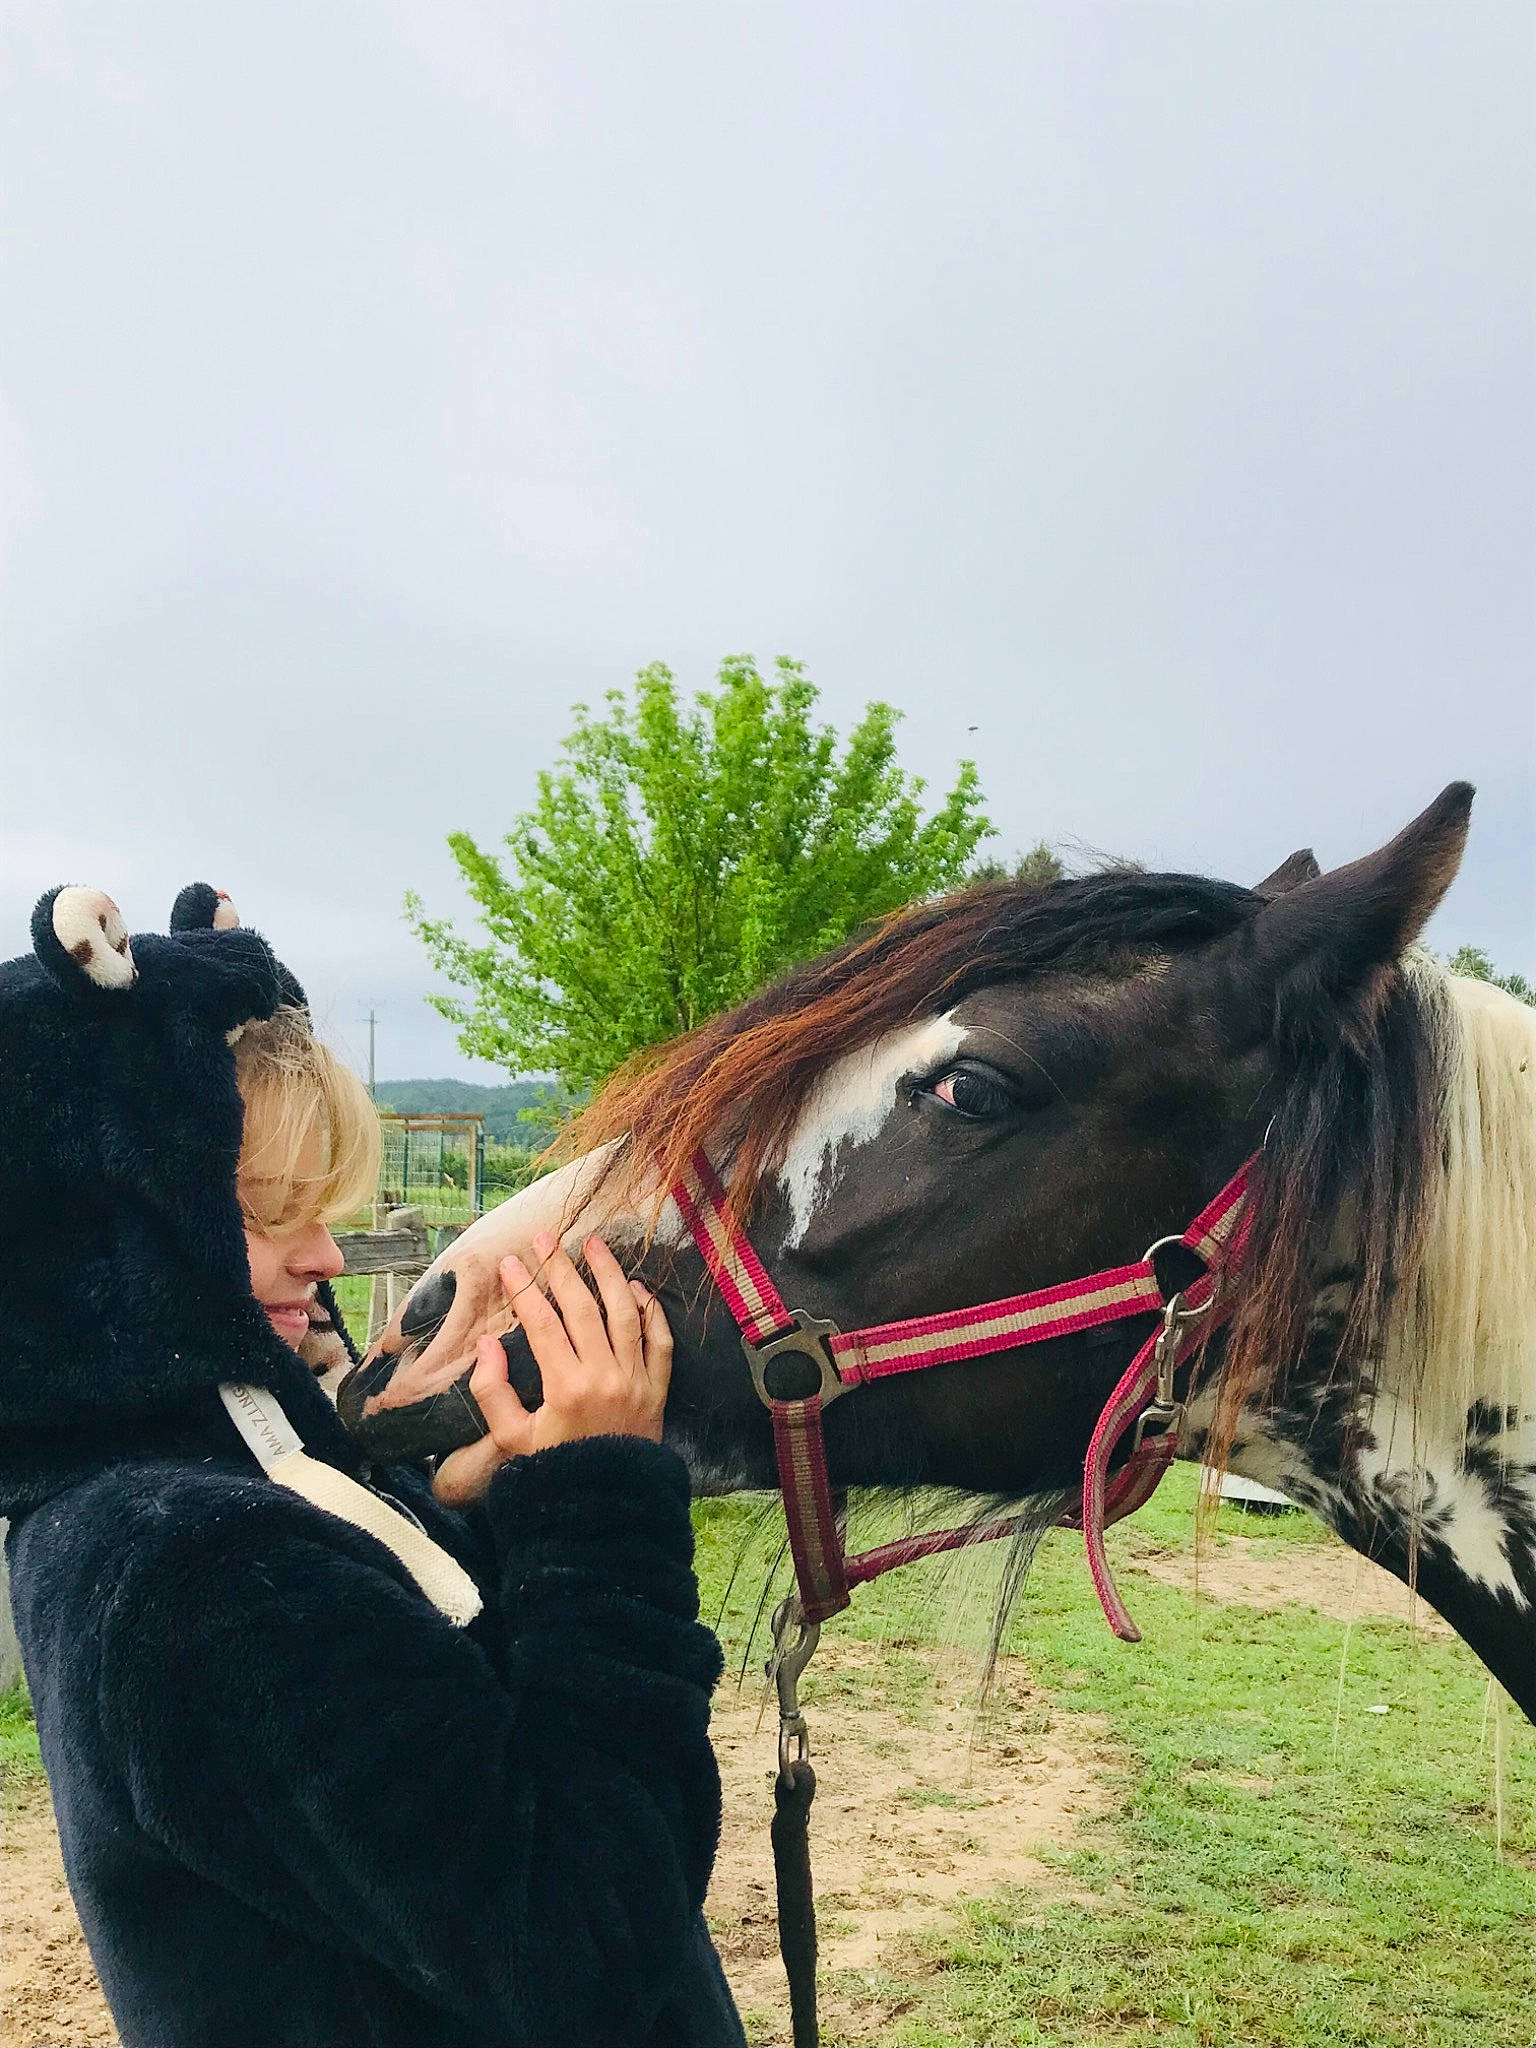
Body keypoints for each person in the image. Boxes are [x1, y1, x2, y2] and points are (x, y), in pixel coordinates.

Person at [1, 883, 744, 2048]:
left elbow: (452, 1731)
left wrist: (475, 1494)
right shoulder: (194, 1567)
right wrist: (598, 1504)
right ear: (99, 1223)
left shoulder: (213, 1489)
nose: (331, 1252)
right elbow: (574, 1951)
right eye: (262, 1211)